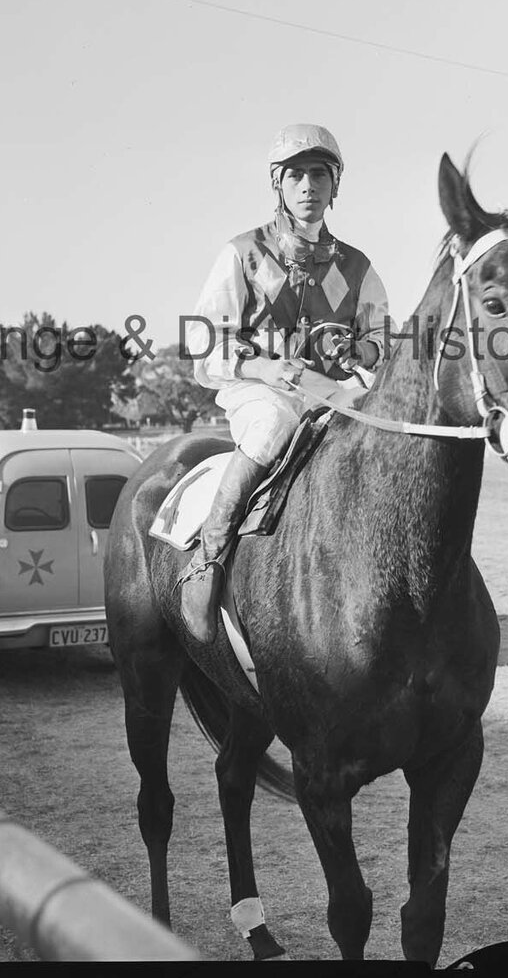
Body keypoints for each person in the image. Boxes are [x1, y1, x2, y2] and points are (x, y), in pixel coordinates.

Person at [179, 125, 389, 643]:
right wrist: (263, 368)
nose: (308, 186)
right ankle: (210, 558)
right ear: (279, 184)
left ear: (335, 185)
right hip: (258, 389)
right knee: (273, 421)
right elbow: (203, 342)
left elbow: (380, 341)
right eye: (296, 175)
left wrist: (358, 351)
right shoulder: (241, 254)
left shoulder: (358, 267)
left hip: (329, 390)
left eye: (320, 174)